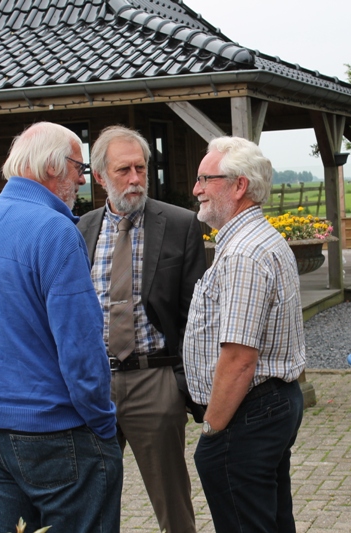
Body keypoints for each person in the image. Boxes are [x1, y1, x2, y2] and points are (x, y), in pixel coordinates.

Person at [0, 122, 122, 533]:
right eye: (78, 167)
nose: (82, 179)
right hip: (58, 430)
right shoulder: (56, 231)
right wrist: (102, 423)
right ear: (52, 166)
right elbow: (81, 349)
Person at [77, 125, 206, 533]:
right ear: (101, 177)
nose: (135, 179)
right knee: (91, 502)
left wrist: (179, 386)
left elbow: (196, 314)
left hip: (155, 380)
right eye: (123, 170)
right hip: (95, 385)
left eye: (141, 168)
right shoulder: (79, 230)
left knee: (173, 505)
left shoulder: (180, 224)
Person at [183, 136, 307, 532]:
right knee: (271, 520)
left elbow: (239, 359)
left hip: (248, 412)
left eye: (206, 179)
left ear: (239, 186)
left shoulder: (243, 253)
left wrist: (212, 429)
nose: (196, 189)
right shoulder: (258, 239)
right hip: (268, 406)